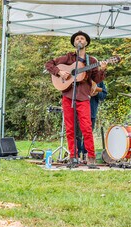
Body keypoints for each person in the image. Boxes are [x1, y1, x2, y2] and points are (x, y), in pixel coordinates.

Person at [45, 31, 106, 168]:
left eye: (82, 38)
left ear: (86, 43)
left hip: (84, 97)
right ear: (74, 43)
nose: (79, 40)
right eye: (77, 38)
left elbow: (96, 79)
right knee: (70, 128)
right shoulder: (68, 57)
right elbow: (49, 64)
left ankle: (91, 157)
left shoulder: (92, 61)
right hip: (68, 95)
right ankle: (73, 157)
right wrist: (59, 72)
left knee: (86, 127)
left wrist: (102, 70)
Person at [75, 80, 108, 161]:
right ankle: (77, 155)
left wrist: (96, 92)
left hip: (91, 111)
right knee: (77, 135)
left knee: (88, 134)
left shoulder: (98, 80)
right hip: (79, 110)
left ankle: (86, 155)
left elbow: (103, 94)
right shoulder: (80, 77)